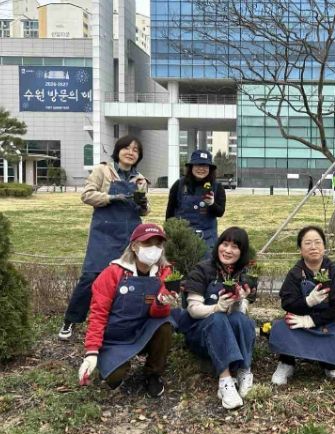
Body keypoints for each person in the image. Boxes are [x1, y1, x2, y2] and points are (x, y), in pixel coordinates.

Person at [59, 135, 150, 340]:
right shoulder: (103, 171)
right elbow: (87, 195)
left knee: (128, 277)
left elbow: (144, 210)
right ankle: (71, 320)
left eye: (135, 150)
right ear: (118, 151)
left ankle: (121, 323)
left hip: (131, 234)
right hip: (104, 232)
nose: (130, 153)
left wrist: (143, 205)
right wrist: (111, 197)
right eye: (126, 148)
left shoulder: (140, 179)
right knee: (91, 276)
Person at [77, 223, 177, 397]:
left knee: (165, 325)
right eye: (147, 243)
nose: (153, 248)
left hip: (144, 332)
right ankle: (115, 362)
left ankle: (153, 373)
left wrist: (161, 303)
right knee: (114, 378)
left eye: (158, 244)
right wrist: (91, 351)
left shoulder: (164, 273)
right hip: (115, 338)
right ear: (134, 246)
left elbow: (157, 314)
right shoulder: (112, 273)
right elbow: (98, 314)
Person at [177, 227, 257, 409]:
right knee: (218, 319)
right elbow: (193, 310)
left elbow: (238, 314)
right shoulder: (202, 270)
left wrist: (239, 300)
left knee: (242, 320)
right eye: (225, 244)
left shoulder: (242, 275)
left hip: (227, 338)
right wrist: (217, 307)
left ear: (242, 252)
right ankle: (225, 380)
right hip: (201, 335)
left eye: (235, 247)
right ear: (218, 245)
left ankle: (244, 371)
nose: (228, 250)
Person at [269, 226, 335, 385]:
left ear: (324, 247)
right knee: (283, 326)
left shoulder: (334, 271)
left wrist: (313, 320)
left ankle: (329, 362)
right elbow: (287, 302)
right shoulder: (295, 273)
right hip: (301, 320)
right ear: (300, 249)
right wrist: (307, 301)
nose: (313, 247)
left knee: (332, 366)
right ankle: (286, 362)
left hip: (328, 321)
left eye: (317, 242)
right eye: (307, 243)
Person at [166, 150, 226, 251]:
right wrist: (169, 233)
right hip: (181, 237)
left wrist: (212, 204)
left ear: (210, 168)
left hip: (207, 239)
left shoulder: (217, 187)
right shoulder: (179, 185)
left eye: (205, 166)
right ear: (191, 167)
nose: (201, 169)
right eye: (198, 165)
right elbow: (170, 212)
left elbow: (220, 212)